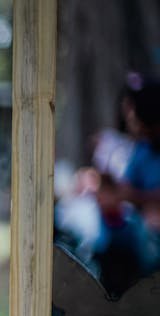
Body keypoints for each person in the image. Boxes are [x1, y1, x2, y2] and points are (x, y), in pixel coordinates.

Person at [57, 73, 160, 295]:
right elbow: (125, 187)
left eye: (133, 111)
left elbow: (135, 194)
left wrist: (133, 196)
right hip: (136, 230)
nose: (129, 117)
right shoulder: (141, 150)